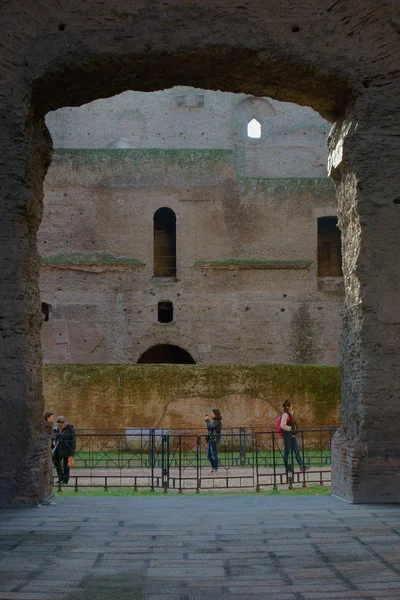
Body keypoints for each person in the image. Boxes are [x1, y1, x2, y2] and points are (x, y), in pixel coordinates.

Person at [280, 400, 308, 473]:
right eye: (291, 406)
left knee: (297, 450)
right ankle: (287, 468)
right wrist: (291, 429)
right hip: (287, 436)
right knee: (286, 453)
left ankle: (301, 467)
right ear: (287, 407)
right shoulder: (285, 415)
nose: (292, 407)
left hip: (292, 436)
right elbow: (282, 425)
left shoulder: (291, 414)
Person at [53, 416, 76, 485]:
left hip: (67, 449)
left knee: (66, 465)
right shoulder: (58, 428)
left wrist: (72, 454)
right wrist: (55, 440)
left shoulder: (70, 429)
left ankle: (65, 480)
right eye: (58, 425)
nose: (59, 427)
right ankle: (61, 477)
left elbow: (73, 441)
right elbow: (56, 436)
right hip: (58, 449)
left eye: (60, 425)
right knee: (56, 462)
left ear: (65, 424)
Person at [205, 408, 222, 474]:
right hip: (210, 440)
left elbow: (210, 427)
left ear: (215, 414)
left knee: (214, 455)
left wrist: (207, 421)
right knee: (209, 456)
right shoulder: (214, 422)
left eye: (212, 413)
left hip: (214, 440)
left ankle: (216, 469)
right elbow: (210, 428)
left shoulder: (218, 422)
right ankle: (213, 467)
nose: (211, 414)